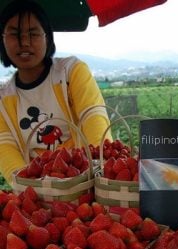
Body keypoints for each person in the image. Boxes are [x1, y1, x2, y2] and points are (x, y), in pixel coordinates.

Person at [0, 0, 111, 185]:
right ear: (2, 40)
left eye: (33, 33)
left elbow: (94, 119)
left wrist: (100, 173)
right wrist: (29, 189)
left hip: (88, 181)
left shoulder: (71, 72)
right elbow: (5, 148)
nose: (25, 42)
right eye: (14, 34)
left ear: (47, 37)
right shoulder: (3, 100)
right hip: (40, 194)